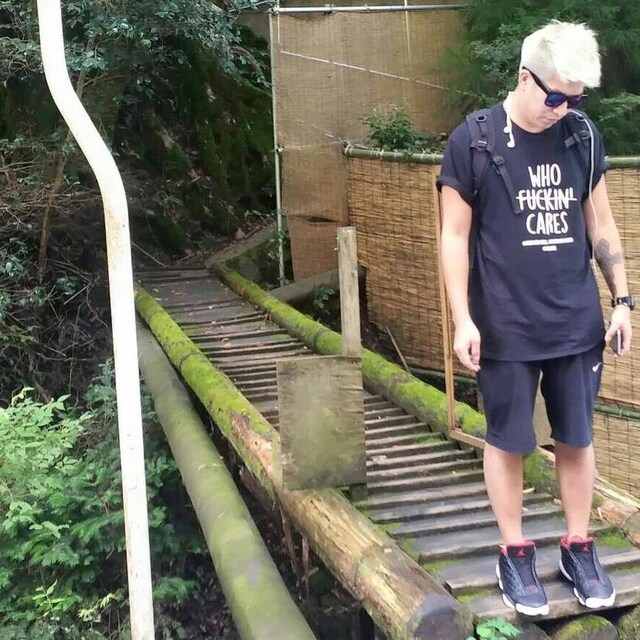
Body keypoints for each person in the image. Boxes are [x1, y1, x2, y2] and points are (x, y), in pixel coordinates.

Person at [438, 21, 633, 616]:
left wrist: (622, 301)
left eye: (575, 99)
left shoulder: (581, 136)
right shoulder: (473, 140)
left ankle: (579, 546)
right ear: (526, 78)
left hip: (575, 321)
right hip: (504, 324)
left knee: (577, 436)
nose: (564, 109)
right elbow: (453, 236)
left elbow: (600, 224)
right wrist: (463, 319)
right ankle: (515, 552)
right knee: (509, 440)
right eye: (555, 97)